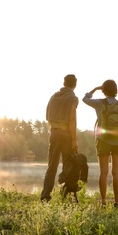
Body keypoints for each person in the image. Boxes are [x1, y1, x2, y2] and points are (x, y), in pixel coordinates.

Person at [82, 80, 118, 208]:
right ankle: (117, 202)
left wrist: (95, 89)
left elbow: (84, 99)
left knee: (103, 172)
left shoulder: (99, 103)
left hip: (102, 140)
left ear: (104, 90)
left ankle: (103, 202)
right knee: (116, 173)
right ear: (116, 90)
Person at [40, 74, 79, 203]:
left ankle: (45, 196)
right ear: (75, 84)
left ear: (64, 83)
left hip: (54, 133)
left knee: (52, 165)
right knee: (68, 165)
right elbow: (72, 119)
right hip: (66, 134)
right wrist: (74, 140)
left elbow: (47, 116)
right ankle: (65, 196)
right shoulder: (73, 98)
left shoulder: (53, 97)